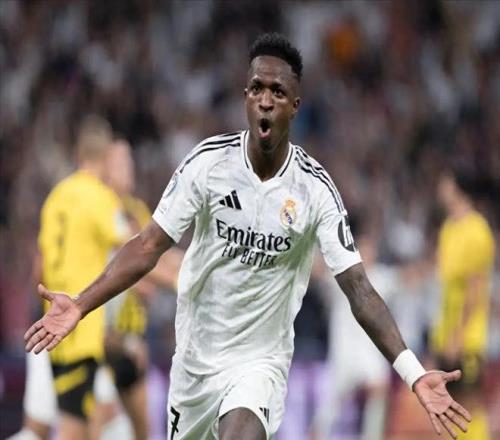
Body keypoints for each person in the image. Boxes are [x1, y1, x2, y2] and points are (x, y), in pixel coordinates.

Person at [25, 33, 471, 440]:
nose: (265, 100)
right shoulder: (208, 165)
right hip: (196, 364)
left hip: (260, 364)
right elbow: (147, 247)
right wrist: (80, 304)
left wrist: (413, 372)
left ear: (295, 105)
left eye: (278, 92)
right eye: (257, 88)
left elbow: (359, 289)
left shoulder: (315, 190)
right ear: (245, 97)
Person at [35, 116, 130, 440]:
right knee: (74, 428)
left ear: (79, 154)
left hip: (54, 322)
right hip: (80, 329)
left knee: (94, 422)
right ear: (105, 156)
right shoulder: (99, 197)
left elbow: (39, 268)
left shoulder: (56, 197)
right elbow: (135, 249)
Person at [97, 139, 182, 440]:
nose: (129, 169)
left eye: (130, 161)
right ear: (105, 168)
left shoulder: (135, 210)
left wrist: (198, 263)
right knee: (97, 423)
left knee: (141, 429)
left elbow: (157, 256)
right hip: (102, 337)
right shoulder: (100, 208)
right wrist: (179, 281)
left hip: (130, 336)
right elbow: (136, 264)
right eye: (121, 163)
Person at [310, 236, 399, 440]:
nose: (368, 255)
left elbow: (409, 277)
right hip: (343, 353)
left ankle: (372, 436)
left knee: (379, 389)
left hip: (370, 352)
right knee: (329, 407)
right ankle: (317, 434)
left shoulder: (382, 277)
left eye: (371, 250)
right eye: (364, 250)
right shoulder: (341, 276)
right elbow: (317, 271)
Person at [431, 167, 496, 439]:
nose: (440, 189)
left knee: (469, 404)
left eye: (445, 183)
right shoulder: (448, 228)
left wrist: (458, 336)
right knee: (447, 407)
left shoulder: (477, 231)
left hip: (467, 338)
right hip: (445, 334)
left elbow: (475, 290)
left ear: (458, 188)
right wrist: (442, 336)